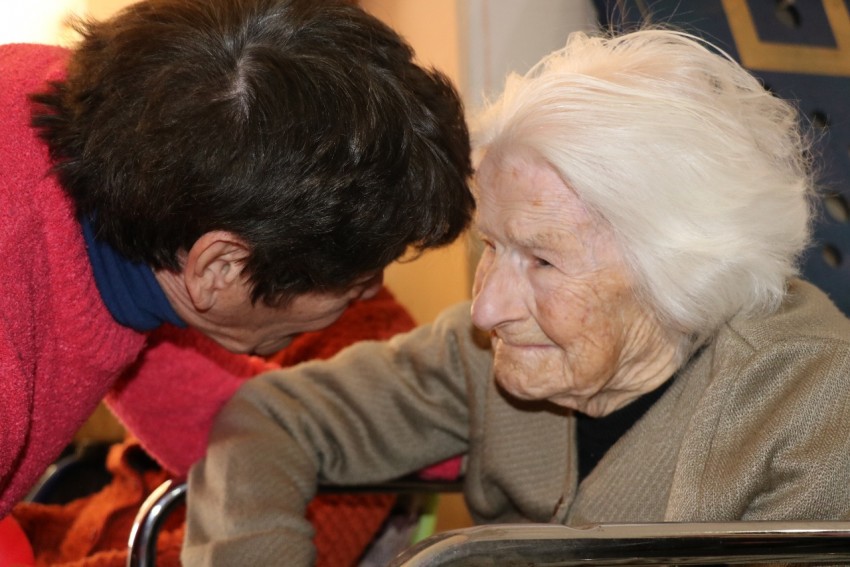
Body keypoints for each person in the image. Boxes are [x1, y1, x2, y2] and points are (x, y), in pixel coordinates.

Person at [183, 27, 850, 565]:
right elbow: (269, 418)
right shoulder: (485, 351)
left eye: (541, 259)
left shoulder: (814, 404)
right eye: (492, 246)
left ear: (675, 270)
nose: (486, 308)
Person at [0, 0, 473, 519]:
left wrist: (476, 431)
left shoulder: (114, 125)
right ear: (221, 267)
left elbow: (212, 415)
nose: (369, 291)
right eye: (358, 277)